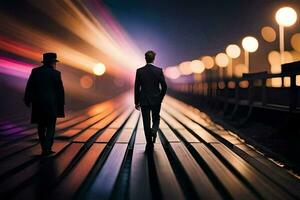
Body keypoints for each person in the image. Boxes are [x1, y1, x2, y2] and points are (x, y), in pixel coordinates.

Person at [24, 52, 65, 156]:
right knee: (51, 126)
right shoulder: (56, 74)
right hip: (52, 104)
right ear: (53, 62)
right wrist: (61, 103)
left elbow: (30, 87)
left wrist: (27, 100)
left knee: (41, 126)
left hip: (38, 104)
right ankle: (47, 148)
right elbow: (60, 90)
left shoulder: (35, 71)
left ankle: (44, 147)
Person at [134, 50, 167, 150]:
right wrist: (160, 98)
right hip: (156, 100)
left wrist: (136, 102)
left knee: (146, 122)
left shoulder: (139, 71)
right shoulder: (159, 70)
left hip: (144, 100)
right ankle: (154, 130)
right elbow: (164, 86)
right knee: (156, 118)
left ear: (145, 59)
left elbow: (136, 88)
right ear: (154, 59)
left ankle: (149, 143)